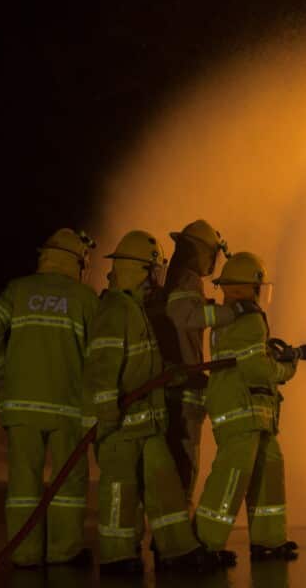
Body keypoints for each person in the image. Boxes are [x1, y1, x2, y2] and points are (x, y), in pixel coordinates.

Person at [82, 230, 219, 574]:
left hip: (146, 422)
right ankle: (117, 556)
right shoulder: (114, 309)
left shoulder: (135, 308)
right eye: (154, 271)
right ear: (140, 269)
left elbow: (146, 363)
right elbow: (102, 368)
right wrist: (107, 418)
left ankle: (178, 549)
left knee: (165, 484)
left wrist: (173, 374)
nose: (158, 279)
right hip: (120, 425)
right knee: (121, 491)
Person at [0, 228, 99, 568]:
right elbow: (98, 355)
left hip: (20, 407)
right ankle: (64, 551)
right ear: (78, 262)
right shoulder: (85, 297)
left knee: (23, 483)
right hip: (67, 408)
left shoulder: (18, 290)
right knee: (68, 482)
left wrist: (3, 375)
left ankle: (25, 553)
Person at [193, 252, 301, 562]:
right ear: (249, 286)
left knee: (269, 467)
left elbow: (246, 358)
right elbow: (257, 370)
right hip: (241, 409)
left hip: (248, 410)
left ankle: (269, 539)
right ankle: (206, 543)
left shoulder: (229, 318)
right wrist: (286, 369)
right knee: (232, 475)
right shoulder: (250, 319)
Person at [153, 220, 236, 504]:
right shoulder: (188, 279)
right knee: (184, 464)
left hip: (172, 384)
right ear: (203, 252)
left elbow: (182, 312)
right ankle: (180, 525)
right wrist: (231, 313)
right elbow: (184, 316)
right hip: (184, 387)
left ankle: (172, 523)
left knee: (173, 463)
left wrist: (208, 307)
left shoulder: (173, 278)